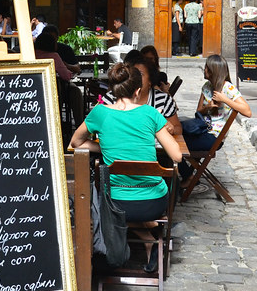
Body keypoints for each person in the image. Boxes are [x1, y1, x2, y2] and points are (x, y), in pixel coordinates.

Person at [70, 62, 182, 271]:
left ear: (113, 90)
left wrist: (104, 147)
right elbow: (176, 155)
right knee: (148, 199)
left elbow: (75, 143)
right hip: (154, 203)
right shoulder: (150, 113)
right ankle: (152, 237)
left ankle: (146, 239)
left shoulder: (100, 113)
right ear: (138, 90)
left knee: (108, 198)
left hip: (115, 203)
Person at [179, 55, 252, 171]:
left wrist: (225, 100)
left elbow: (247, 112)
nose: (205, 69)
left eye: (207, 67)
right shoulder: (207, 86)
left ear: (213, 71)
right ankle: (187, 175)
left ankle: (187, 176)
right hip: (202, 129)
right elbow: (198, 111)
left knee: (174, 144)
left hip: (214, 137)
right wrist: (207, 107)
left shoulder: (228, 88)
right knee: (174, 136)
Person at [93, 53, 181, 135]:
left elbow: (179, 129)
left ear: (150, 80)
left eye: (141, 74)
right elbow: (95, 127)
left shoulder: (163, 100)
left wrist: (171, 129)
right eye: (134, 74)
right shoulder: (112, 98)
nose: (137, 77)